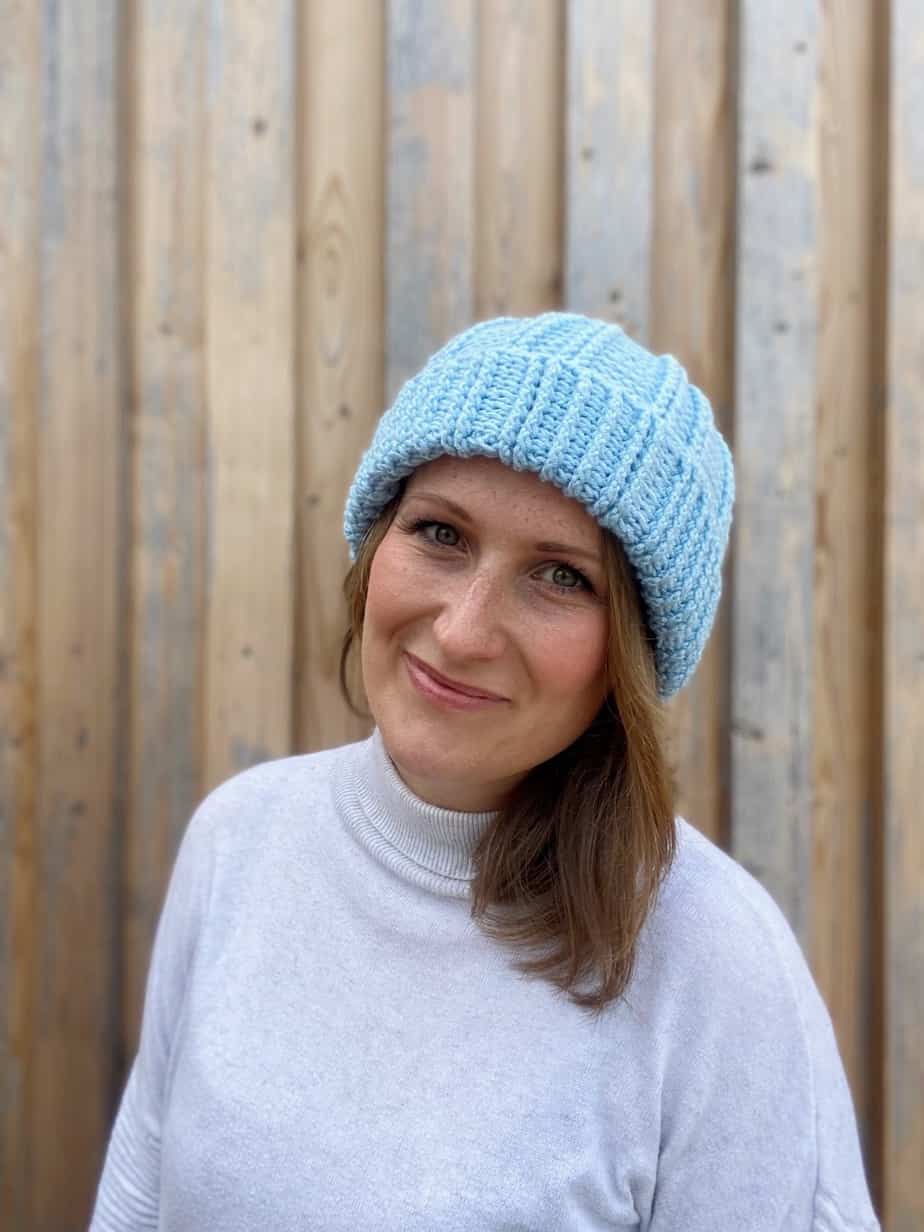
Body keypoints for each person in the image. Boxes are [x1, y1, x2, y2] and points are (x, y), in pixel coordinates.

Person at [89, 313, 879, 1230]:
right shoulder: (241, 838)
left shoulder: (714, 962)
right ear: (376, 543)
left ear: (628, 653)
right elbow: (138, 1199)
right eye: (440, 533)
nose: (462, 630)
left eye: (561, 578)